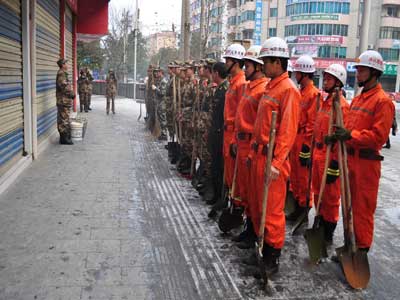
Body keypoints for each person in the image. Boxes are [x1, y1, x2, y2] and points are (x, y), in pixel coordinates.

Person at [330, 50, 394, 252]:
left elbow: (378, 137)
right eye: (357, 70)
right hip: (349, 159)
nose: (357, 74)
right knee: (347, 205)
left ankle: (361, 250)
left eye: (362, 70)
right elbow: (348, 126)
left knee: (362, 209)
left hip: (366, 164)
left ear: (374, 73)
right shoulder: (358, 99)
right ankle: (350, 245)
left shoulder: (383, 102)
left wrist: (350, 135)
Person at [246, 37, 300, 276]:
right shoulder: (271, 86)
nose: (263, 66)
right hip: (259, 156)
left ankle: (272, 258)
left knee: (272, 212)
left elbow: (287, 132)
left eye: (266, 62)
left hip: (272, 161)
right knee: (258, 207)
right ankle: (260, 249)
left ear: (278, 62)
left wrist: (276, 163)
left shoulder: (289, 90)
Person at [229, 45, 269, 248]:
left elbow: (261, 124)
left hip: (252, 145)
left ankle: (254, 233)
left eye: (248, 65)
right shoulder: (249, 87)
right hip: (242, 141)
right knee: (244, 191)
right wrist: (236, 140)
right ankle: (249, 228)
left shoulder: (263, 90)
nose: (245, 69)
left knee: (253, 194)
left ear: (259, 67)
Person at [314, 64, 349, 244]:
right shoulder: (325, 102)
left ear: (338, 83)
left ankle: (328, 233)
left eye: (329, 78)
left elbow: (342, 139)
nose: (325, 81)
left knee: (331, 198)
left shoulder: (341, 107)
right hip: (319, 154)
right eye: (325, 77)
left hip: (330, 158)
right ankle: (319, 225)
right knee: (318, 194)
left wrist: (335, 164)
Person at [286, 55, 319, 221]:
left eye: (297, 73)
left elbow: (312, 124)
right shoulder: (301, 92)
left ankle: (304, 207)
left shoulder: (314, 95)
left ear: (304, 74)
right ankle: (298, 206)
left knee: (304, 178)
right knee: (296, 177)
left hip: (303, 141)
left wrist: (306, 147)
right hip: (295, 138)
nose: (295, 75)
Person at [222, 44, 247, 195]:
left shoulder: (242, 84)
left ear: (236, 63)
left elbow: (241, 113)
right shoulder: (233, 82)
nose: (225, 64)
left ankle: (235, 204)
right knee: (229, 172)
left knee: (234, 174)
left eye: (228, 61)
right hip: (227, 132)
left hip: (233, 132)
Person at [208, 62, 229, 213]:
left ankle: (221, 198)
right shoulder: (219, 89)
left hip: (222, 134)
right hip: (214, 132)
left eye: (213, 72)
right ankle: (215, 195)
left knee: (220, 168)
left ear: (216, 73)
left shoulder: (226, 90)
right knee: (215, 166)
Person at [56, 58, 75, 145]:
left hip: (65, 101)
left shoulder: (64, 73)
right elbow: (64, 86)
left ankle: (65, 137)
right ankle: (64, 138)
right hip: (63, 101)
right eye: (66, 63)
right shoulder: (61, 74)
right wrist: (72, 93)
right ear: (63, 65)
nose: (68, 65)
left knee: (65, 118)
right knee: (64, 119)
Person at [152, 68, 169, 140]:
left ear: (161, 72)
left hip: (162, 103)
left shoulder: (163, 81)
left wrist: (155, 88)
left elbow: (162, 93)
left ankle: (164, 134)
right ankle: (163, 133)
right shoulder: (159, 80)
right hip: (159, 103)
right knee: (160, 118)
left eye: (158, 72)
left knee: (163, 118)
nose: (156, 73)